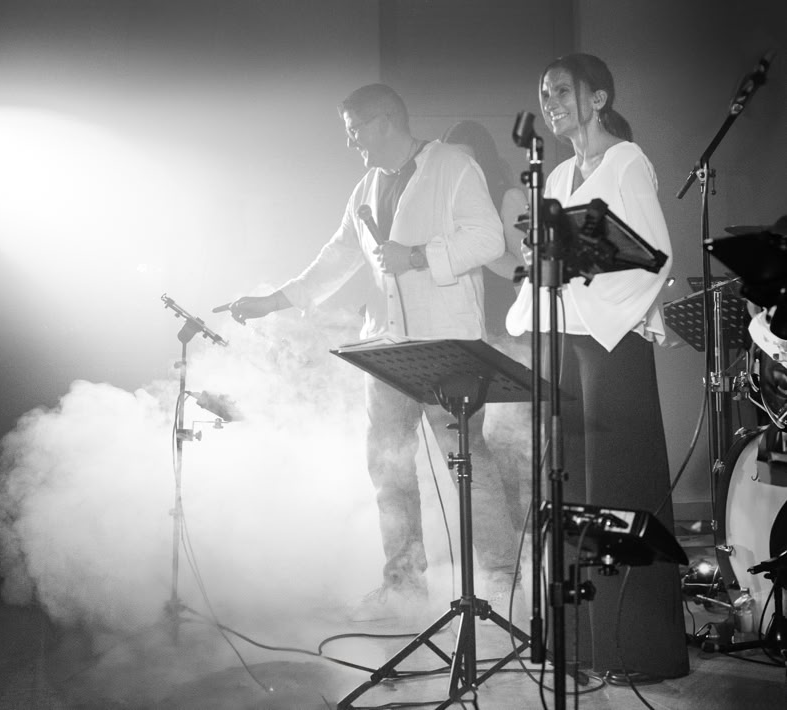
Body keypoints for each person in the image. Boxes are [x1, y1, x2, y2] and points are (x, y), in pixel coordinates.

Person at [220, 84, 519, 620]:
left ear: (384, 121)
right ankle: (402, 585)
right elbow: (336, 257)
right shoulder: (365, 186)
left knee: (468, 462)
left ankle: (503, 581)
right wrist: (274, 301)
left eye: (354, 129)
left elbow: (488, 239)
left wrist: (420, 256)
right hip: (386, 347)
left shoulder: (452, 165)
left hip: (448, 344)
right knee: (388, 468)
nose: (351, 140)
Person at [505, 54, 688, 682]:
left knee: (618, 491)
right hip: (566, 342)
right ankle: (580, 645)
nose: (551, 103)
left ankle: (635, 649)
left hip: (610, 345)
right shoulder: (558, 173)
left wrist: (579, 264)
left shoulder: (626, 161)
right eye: (544, 94)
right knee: (573, 492)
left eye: (562, 91)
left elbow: (655, 256)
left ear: (599, 98)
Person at [442, 120, 527, 337]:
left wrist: (477, 245)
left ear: (481, 161)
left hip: (501, 323)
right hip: (456, 321)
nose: (458, 168)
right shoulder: (441, 202)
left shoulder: (509, 197)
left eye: (465, 160)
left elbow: (525, 270)